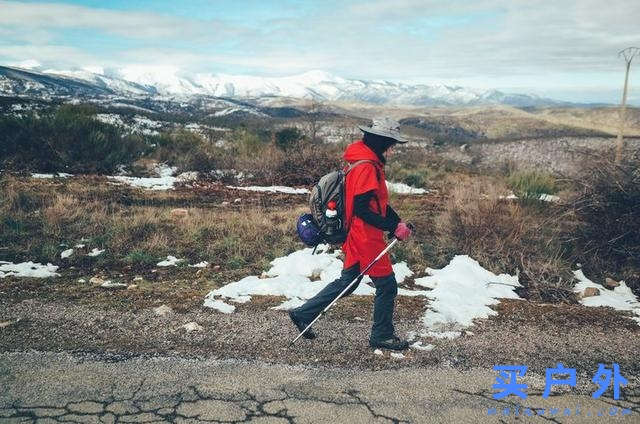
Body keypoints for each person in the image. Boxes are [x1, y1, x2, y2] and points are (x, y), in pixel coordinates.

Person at [289, 117, 413, 351]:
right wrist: (391, 227)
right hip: (366, 237)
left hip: (356, 234)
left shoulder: (362, 160)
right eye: (390, 143)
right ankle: (382, 335)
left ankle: (303, 313)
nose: (392, 147)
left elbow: (376, 203)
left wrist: (397, 221)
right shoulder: (367, 166)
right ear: (381, 140)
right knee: (387, 286)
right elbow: (362, 209)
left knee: (349, 282)